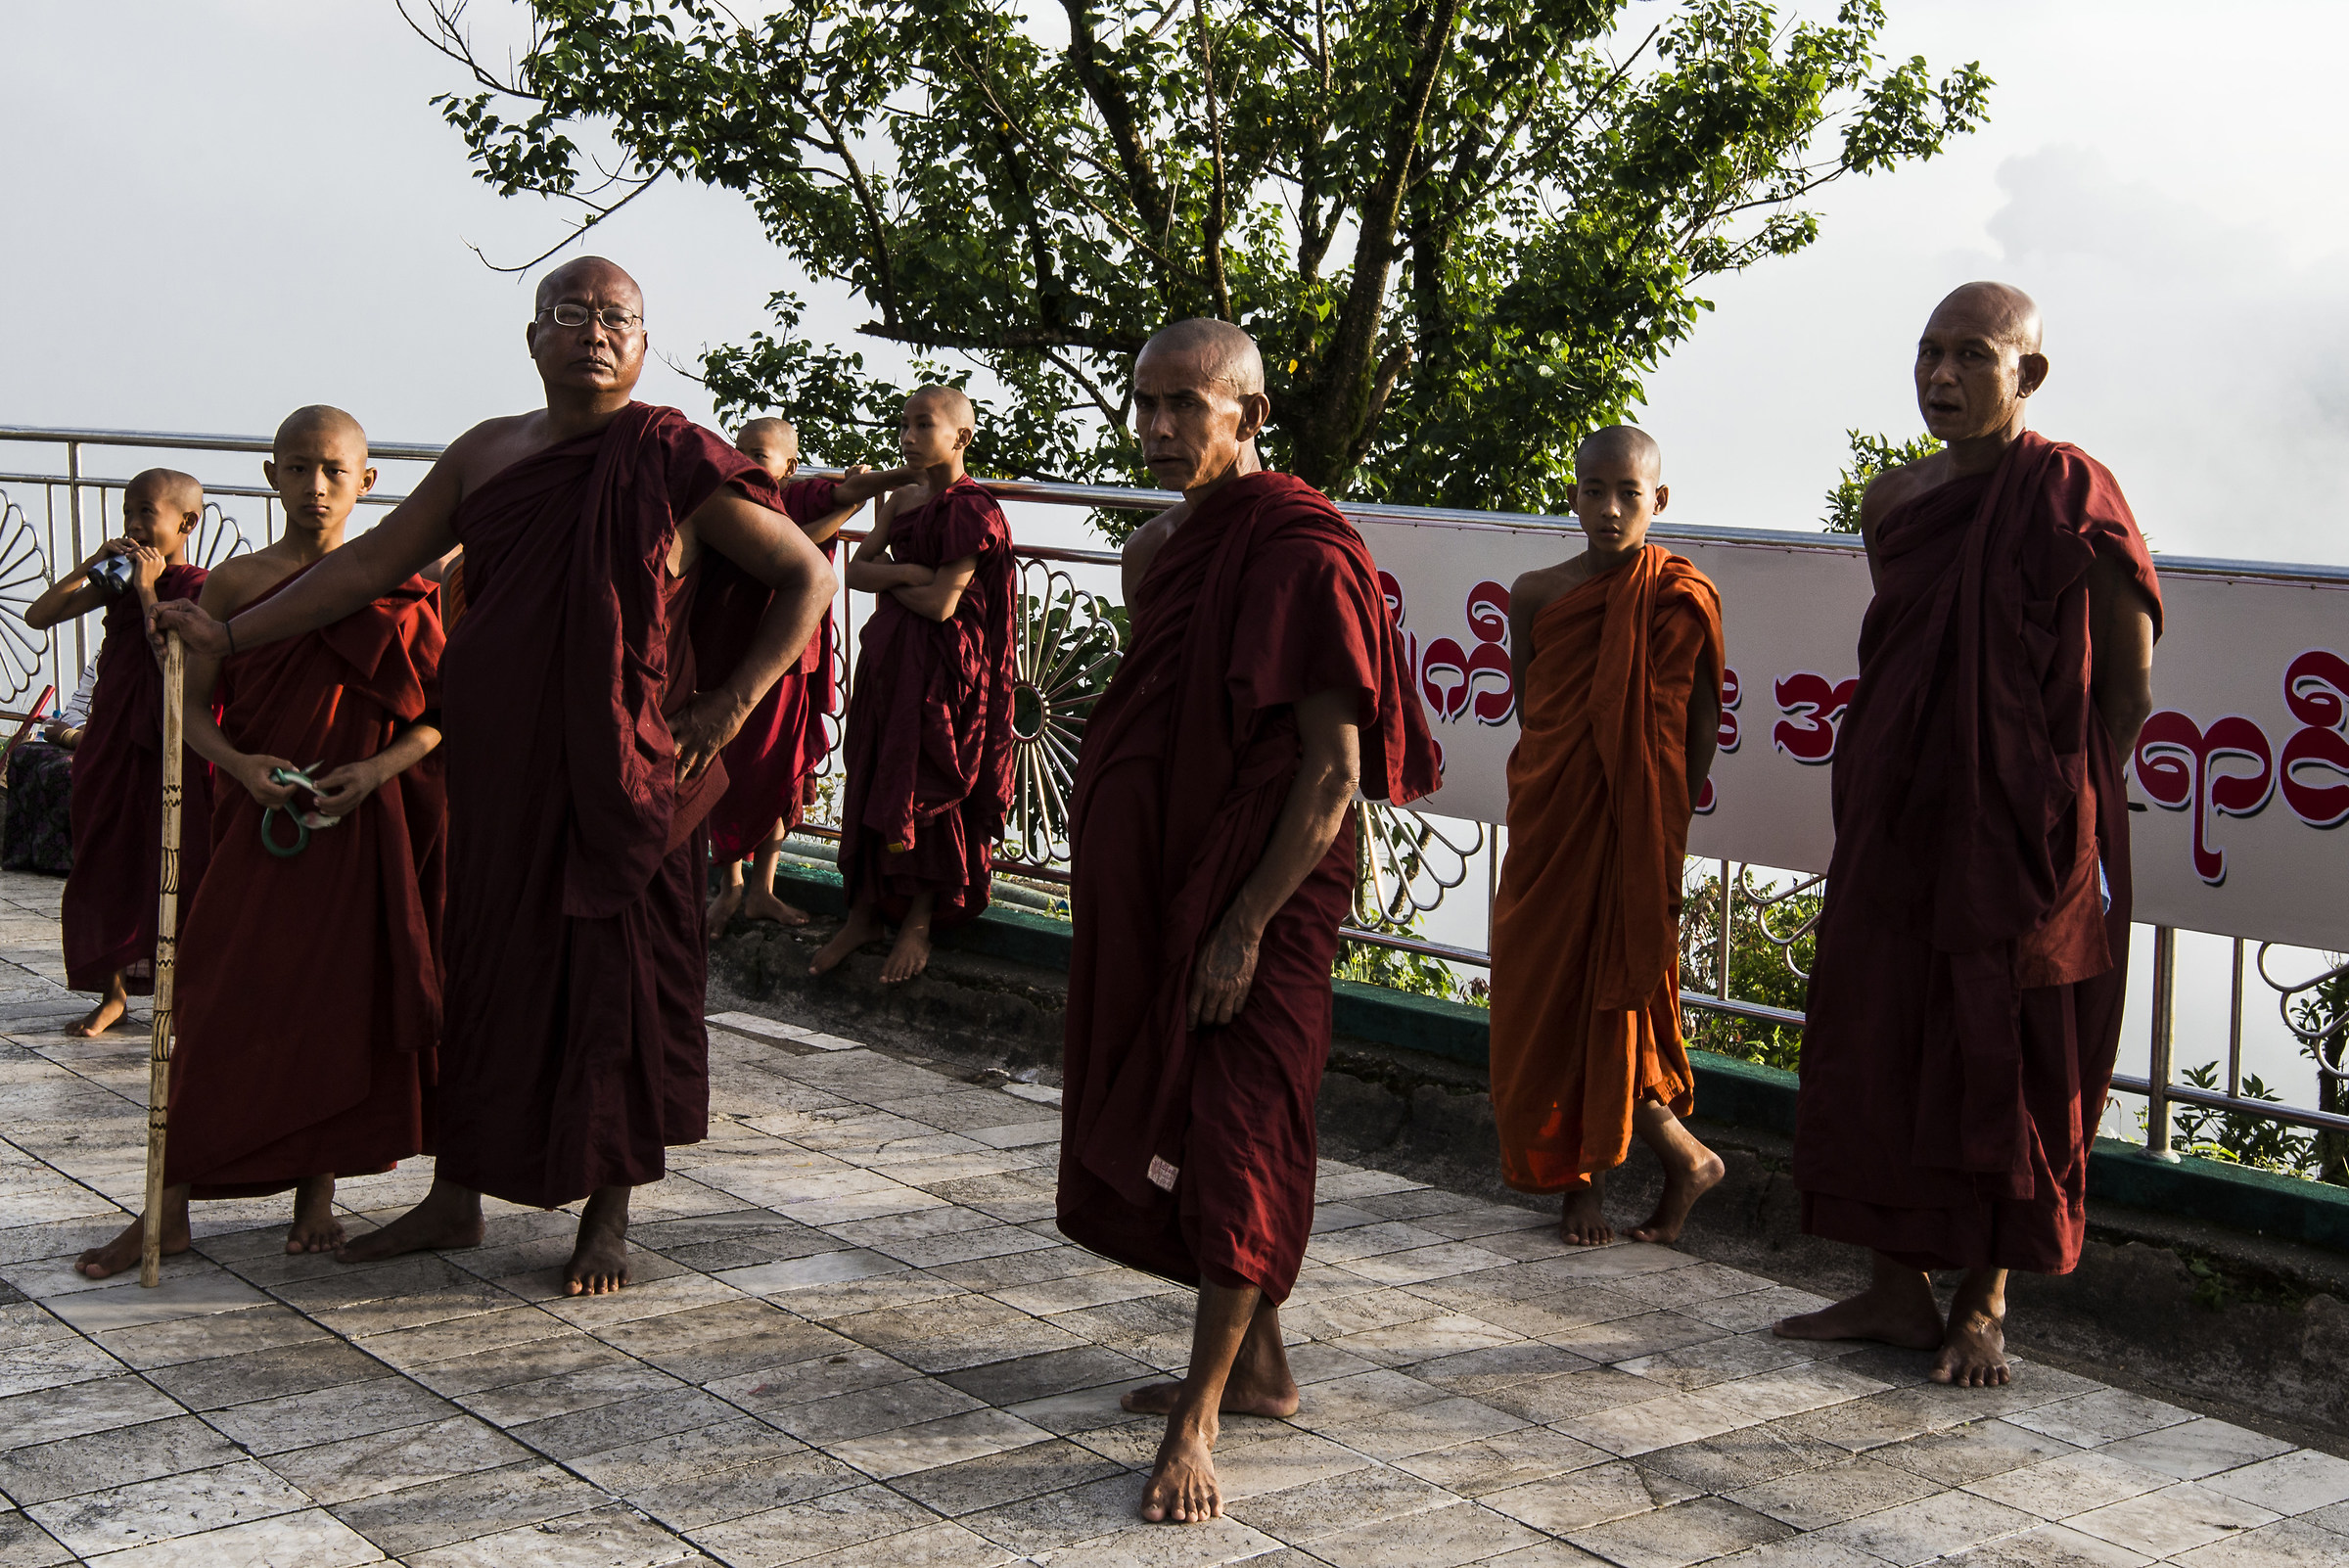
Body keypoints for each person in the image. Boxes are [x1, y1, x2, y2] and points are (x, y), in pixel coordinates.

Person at [153, 256, 834, 1295]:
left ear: (644, 346)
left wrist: (726, 707)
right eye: (571, 314)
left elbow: (809, 574)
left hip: (622, 772)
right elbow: (371, 566)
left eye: (618, 319)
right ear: (533, 340)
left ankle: (606, 1219)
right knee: (483, 977)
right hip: (501, 769)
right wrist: (229, 632)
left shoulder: (672, 458)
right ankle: (455, 1198)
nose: (594, 333)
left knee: (619, 990)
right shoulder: (486, 454)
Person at [1056, 319, 1439, 1524]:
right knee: (1190, 1105)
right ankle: (1261, 1364)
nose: (1162, 430)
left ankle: (1199, 1415)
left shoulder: (1304, 552)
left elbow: (1332, 773)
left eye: (1188, 407)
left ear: (1250, 418)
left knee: (1243, 1121)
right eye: (1145, 406)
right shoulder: (1152, 551)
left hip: (1272, 880)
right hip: (1176, 872)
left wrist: (1244, 927)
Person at [1774, 283, 2160, 1386]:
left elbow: (2125, 690)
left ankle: (1985, 1302)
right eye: (1928, 354)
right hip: (1900, 814)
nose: (1942, 377)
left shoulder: (2070, 493)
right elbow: (1915, 652)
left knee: (2013, 1042)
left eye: (1973, 357)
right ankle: (1896, 1289)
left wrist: (2048, 804)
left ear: (2027, 377)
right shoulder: (1895, 500)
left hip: (2026, 824)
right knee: (1882, 1029)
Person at [74, 406, 446, 1278]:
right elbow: (189, 714)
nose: (317, 488)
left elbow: (441, 722)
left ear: (367, 481)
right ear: (272, 476)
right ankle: (165, 1210)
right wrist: (240, 769)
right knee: (207, 1002)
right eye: (299, 469)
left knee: (340, 1010)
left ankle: (317, 1197)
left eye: (334, 471)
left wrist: (377, 769)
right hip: (260, 824)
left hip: (360, 828)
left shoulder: (404, 588)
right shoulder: (235, 588)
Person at [1489, 426, 1727, 1247]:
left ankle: (1582, 1181)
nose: (1611, 508)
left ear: (1659, 501)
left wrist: (1657, 815)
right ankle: (1677, 1156)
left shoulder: (1680, 597)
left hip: (1636, 825)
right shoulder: (1536, 593)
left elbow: (1700, 727)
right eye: (1595, 490)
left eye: (1631, 494)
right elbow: (1537, 709)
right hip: (1554, 819)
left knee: (1613, 993)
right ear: (1573, 495)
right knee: (1540, 991)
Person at [806, 386, 1017, 985]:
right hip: (889, 665)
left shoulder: (973, 510)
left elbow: (942, 605)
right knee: (877, 770)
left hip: (944, 675)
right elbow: (856, 571)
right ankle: (864, 911)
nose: (907, 437)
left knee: (927, 783)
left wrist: (897, 583)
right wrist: (906, 572)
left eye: (923, 425)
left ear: (962, 438)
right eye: (902, 425)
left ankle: (920, 917)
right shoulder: (899, 501)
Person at [31, 469, 215, 1038]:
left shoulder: (200, 584)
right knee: (104, 849)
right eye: (128, 513)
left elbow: (173, 657)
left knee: (180, 854)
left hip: (174, 734)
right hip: (114, 727)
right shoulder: (114, 578)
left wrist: (145, 589)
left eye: (147, 514)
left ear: (186, 523)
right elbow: (41, 615)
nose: (134, 525)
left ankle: (187, 992)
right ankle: (112, 994)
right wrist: (94, 563)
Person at [704, 418, 906, 931]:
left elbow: (848, 488)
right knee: (722, 764)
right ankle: (728, 886)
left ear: (790, 468)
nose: (747, 461)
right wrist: (847, 512)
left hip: (789, 659)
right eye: (741, 449)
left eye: (760, 454)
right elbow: (787, 546)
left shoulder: (801, 495)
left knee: (779, 769)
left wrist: (893, 477)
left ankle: (762, 889)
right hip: (734, 657)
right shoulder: (730, 501)